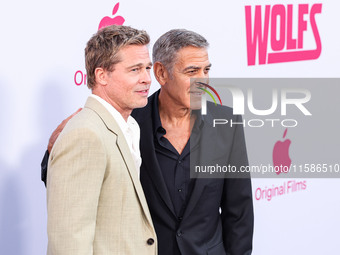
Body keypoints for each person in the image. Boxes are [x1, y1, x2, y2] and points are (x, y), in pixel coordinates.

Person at [42, 29, 254, 255]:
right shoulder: (130, 123)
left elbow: (239, 211)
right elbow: (79, 190)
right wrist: (53, 152)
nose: (202, 80)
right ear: (163, 74)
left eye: (206, 70)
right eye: (192, 71)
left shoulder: (225, 123)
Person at [45, 25, 157, 255]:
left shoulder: (130, 126)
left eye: (147, 68)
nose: (147, 79)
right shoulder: (85, 135)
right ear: (101, 75)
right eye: (135, 70)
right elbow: (69, 240)